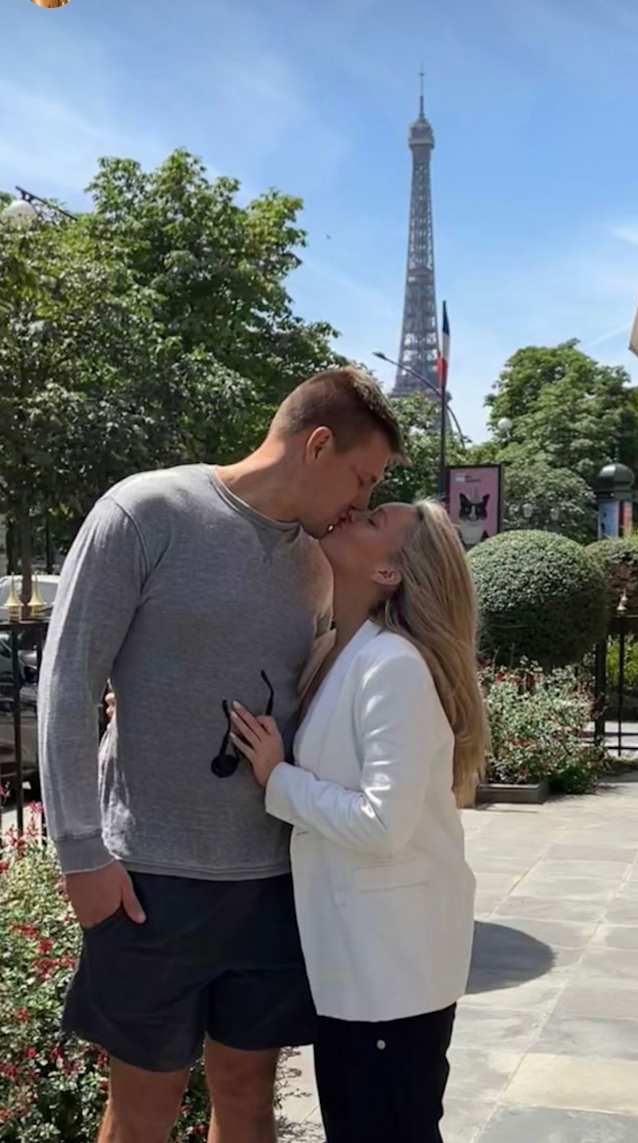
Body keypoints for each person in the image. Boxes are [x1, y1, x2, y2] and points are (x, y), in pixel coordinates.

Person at [37, 368, 403, 1143]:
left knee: (247, 1096)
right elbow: (69, 686)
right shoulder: (145, 512)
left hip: (270, 880)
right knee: (144, 1108)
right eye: (361, 479)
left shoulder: (320, 561)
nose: (360, 505)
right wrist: (81, 855)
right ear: (317, 443)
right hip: (148, 881)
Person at [231, 499, 488, 1143]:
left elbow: (382, 823)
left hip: (390, 972)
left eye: (373, 522)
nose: (351, 515)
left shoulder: (393, 667)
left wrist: (278, 778)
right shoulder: (339, 652)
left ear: (389, 573)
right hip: (363, 963)